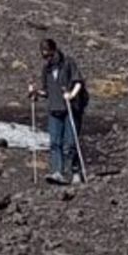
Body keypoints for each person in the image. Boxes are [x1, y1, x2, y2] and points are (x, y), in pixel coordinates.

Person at [28, 38, 89, 185]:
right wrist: (36, 93)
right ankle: (58, 172)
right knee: (55, 142)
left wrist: (72, 94)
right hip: (55, 108)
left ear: (55, 51)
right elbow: (47, 91)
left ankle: (76, 171)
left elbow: (78, 82)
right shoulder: (47, 69)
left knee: (70, 143)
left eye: (49, 55)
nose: (48, 58)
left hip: (71, 108)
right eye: (44, 56)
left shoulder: (68, 63)